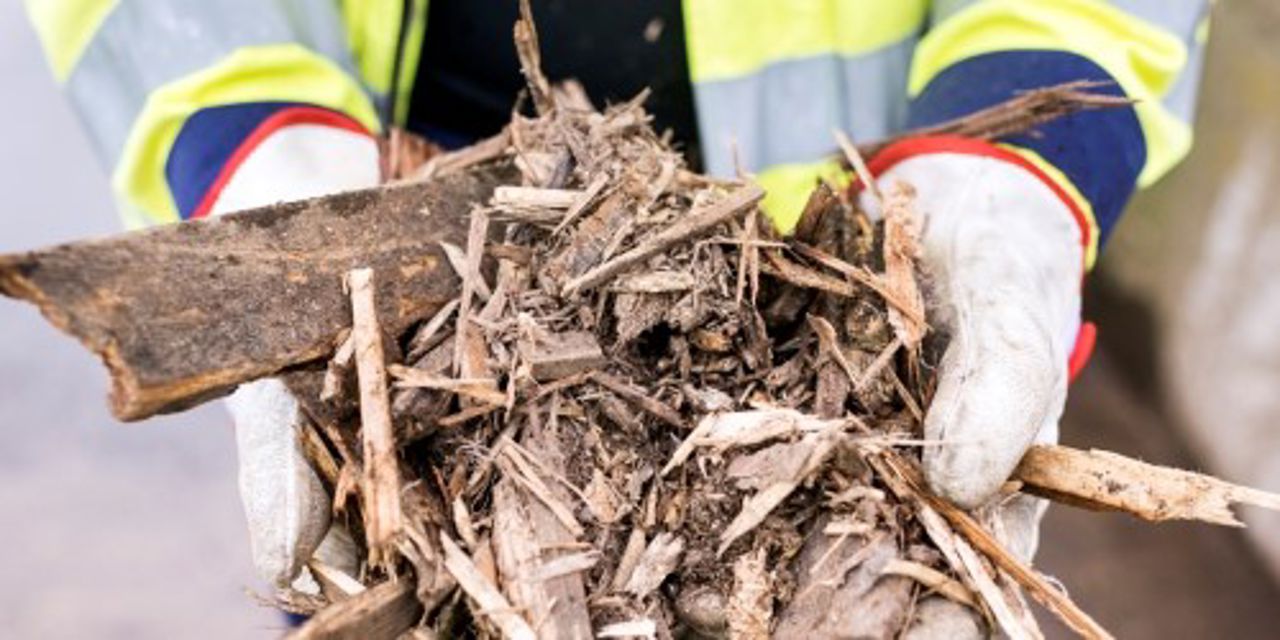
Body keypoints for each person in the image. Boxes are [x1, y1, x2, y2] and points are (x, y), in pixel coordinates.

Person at [25, 0, 1207, 631]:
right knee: (383, 571)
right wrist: (264, 144)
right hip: (419, 255)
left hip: (841, 231)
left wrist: (1006, 164)